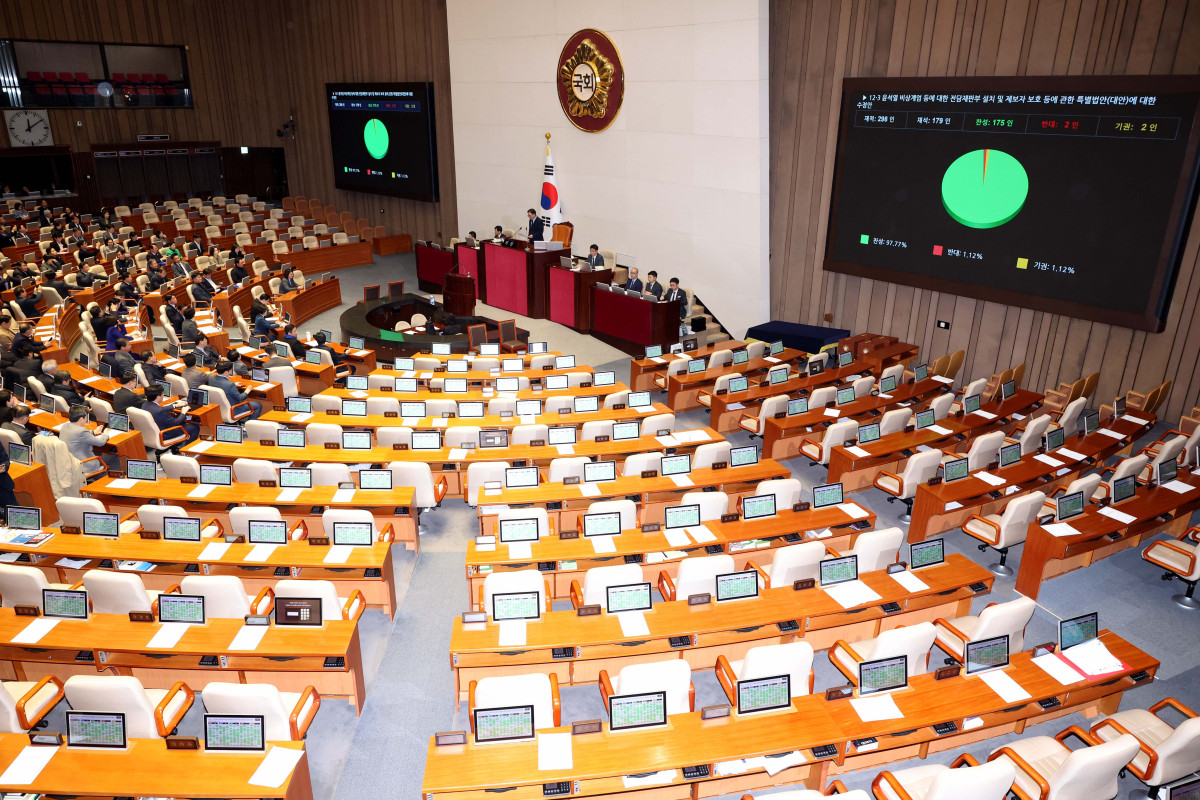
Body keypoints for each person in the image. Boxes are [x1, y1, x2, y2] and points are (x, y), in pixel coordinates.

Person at [60, 404, 116, 473]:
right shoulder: (81, 431)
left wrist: (93, 432)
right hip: (85, 464)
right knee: (115, 457)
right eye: (86, 417)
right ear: (81, 419)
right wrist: (105, 434)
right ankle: (107, 477)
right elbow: (100, 443)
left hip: (72, 463)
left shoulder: (65, 426)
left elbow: (78, 434)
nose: (87, 419)